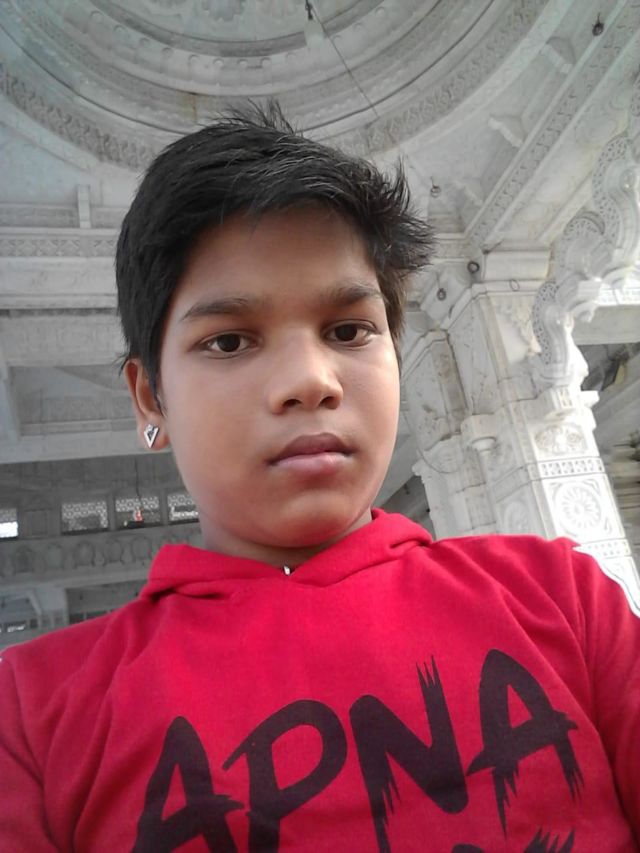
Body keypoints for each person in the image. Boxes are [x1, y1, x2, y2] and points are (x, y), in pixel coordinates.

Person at [0, 104, 638, 853]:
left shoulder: (560, 598)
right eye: (229, 341)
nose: (311, 380)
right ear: (150, 398)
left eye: (348, 330)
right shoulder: (33, 713)